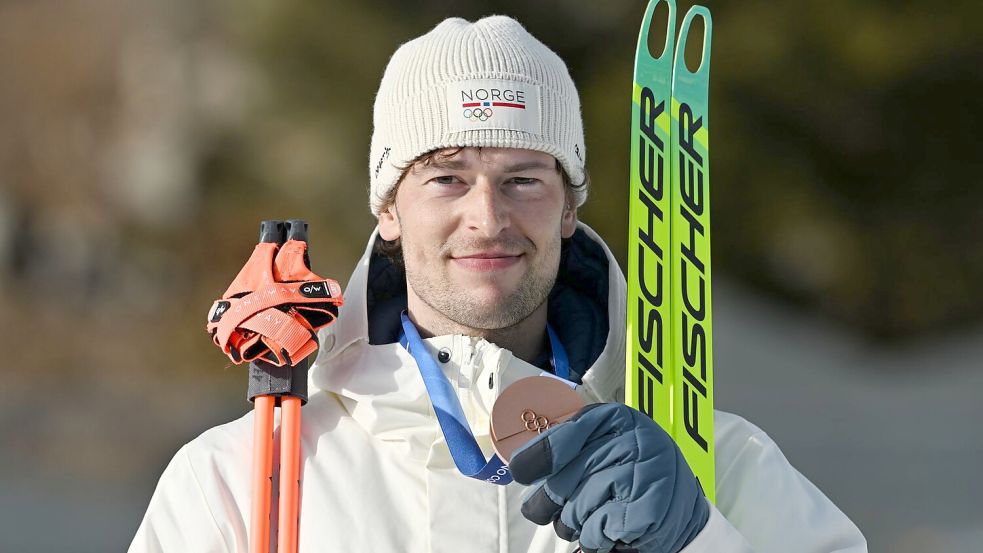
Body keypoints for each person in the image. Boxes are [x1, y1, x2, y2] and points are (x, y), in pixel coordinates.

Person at [130, 16, 867, 553]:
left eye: (523, 179)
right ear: (388, 209)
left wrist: (698, 541)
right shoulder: (242, 479)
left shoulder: (706, 462)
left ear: (569, 207)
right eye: (446, 178)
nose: (487, 217)